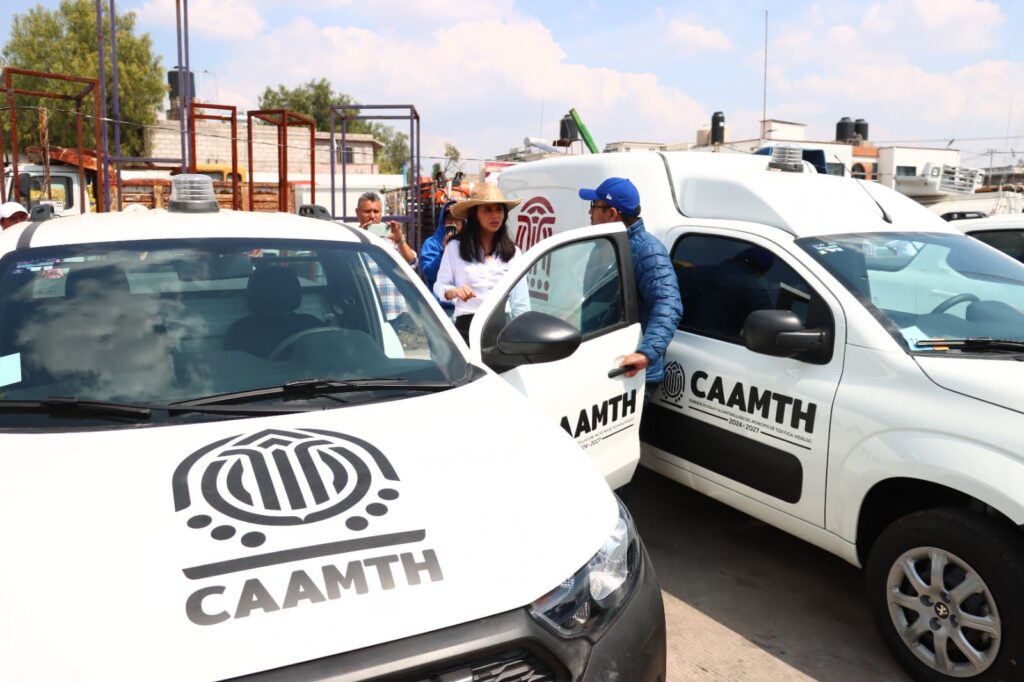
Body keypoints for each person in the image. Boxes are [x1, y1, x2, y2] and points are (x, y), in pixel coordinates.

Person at [579, 177, 682, 397]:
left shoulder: (648, 252)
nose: (589, 213)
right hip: (602, 362)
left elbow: (668, 303)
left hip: (629, 371)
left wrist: (646, 354)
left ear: (612, 213)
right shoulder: (605, 244)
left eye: (593, 206)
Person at [433, 184, 525, 342]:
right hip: (466, 328)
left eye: (499, 209)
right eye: (488, 210)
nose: (495, 215)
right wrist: (455, 291)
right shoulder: (455, 247)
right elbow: (439, 286)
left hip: (502, 331)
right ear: (474, 214)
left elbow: (521, 303)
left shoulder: (514, 253)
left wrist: (524, 337)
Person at [353, 192, 417, 324]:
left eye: (376, 211)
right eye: (367, 211)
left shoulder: (390, 240)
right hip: (362, 310)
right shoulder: (351, 240)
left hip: (392, 311)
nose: (372, 216)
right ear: (357, 213)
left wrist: (400, 240)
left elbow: (411, 261)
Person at [419, 199, 464, 318]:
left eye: (457, 218)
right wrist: (443, 251)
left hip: (464, 306)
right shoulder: (432, 243)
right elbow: (429, 273)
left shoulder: (469, 245)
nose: (454, 222)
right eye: (449, 218)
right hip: (440, 309)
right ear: (442, 221)